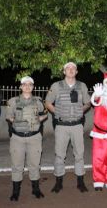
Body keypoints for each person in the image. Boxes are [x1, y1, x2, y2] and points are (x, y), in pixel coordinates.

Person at [45, 62, 91, 193]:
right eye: (68, 68)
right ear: (64, 72)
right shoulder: (56, 86)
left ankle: (80, 182)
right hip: (62, 126)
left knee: (79, 154)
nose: (71, 70)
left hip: (77, 125)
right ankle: (58, 182)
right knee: (60, 155)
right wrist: (56, 112)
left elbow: (88, 103)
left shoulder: (82, 86)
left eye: (73, 69)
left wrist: (81, 110)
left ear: (76, 72)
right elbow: (48, 102)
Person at [6, 76, 47, 201]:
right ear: (20, 86)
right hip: (17, 138)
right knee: (17, 165)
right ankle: (15, 192)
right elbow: (9, 117)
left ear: (33, 87)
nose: (27, 86)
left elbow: (44, 114)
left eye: (30, 84)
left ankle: (36, 189)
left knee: (34, 164)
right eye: (24, 84)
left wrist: (36, 121)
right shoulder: (13, 101)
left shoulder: (39, 101)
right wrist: (18, 123)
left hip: (34, 137)